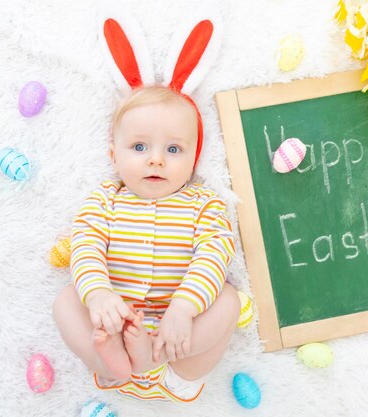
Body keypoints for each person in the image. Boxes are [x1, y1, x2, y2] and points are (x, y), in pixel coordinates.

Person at [53, 85, 240, 402]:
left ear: (193, 160)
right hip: (115, 324)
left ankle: (152, 357)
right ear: (114, 156)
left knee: (229, 301)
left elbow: (214, 255)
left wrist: (183, 307)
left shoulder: (205, 205)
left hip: (179, 345)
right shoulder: (105, 200)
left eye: (173, 150)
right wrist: (98, 294)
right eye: (139, 147)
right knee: (66, 302)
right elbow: (86, 246)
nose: (156, 160)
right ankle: (112, 362)